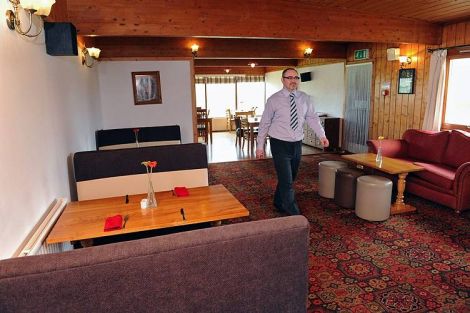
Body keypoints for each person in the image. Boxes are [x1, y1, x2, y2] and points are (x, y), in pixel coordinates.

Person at [256, 68, 329, 215]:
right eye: (289, 77)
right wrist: (260, 146)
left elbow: (312, 118)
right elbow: (264, 123)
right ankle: (294, 214)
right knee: (287, 181)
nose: (293, 80)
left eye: (296, 78)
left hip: (296, 144)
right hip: (279, 143)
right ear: (282, 80)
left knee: (290, 177)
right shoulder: (273, 100)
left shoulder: (305, 98)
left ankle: (278, 201)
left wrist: (322, 135)